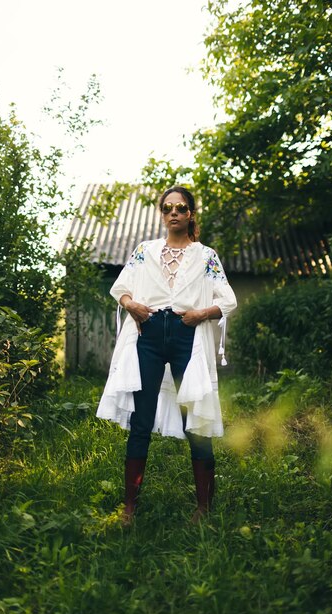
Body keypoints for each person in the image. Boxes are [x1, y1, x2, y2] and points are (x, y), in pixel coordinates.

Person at [96, 186, 237, 524]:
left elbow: (228, 299)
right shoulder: (145, 251)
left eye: (181, 208)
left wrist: (200, 315)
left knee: (196, 419)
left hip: (186, 334)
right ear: (162, 214)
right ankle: (129, 508)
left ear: (190, 214)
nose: (174, 213)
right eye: (168, 208)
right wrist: (132, 306)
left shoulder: (206, 256)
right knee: (140, 421)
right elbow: (121, 288)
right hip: (148, 334)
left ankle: (203, 508)